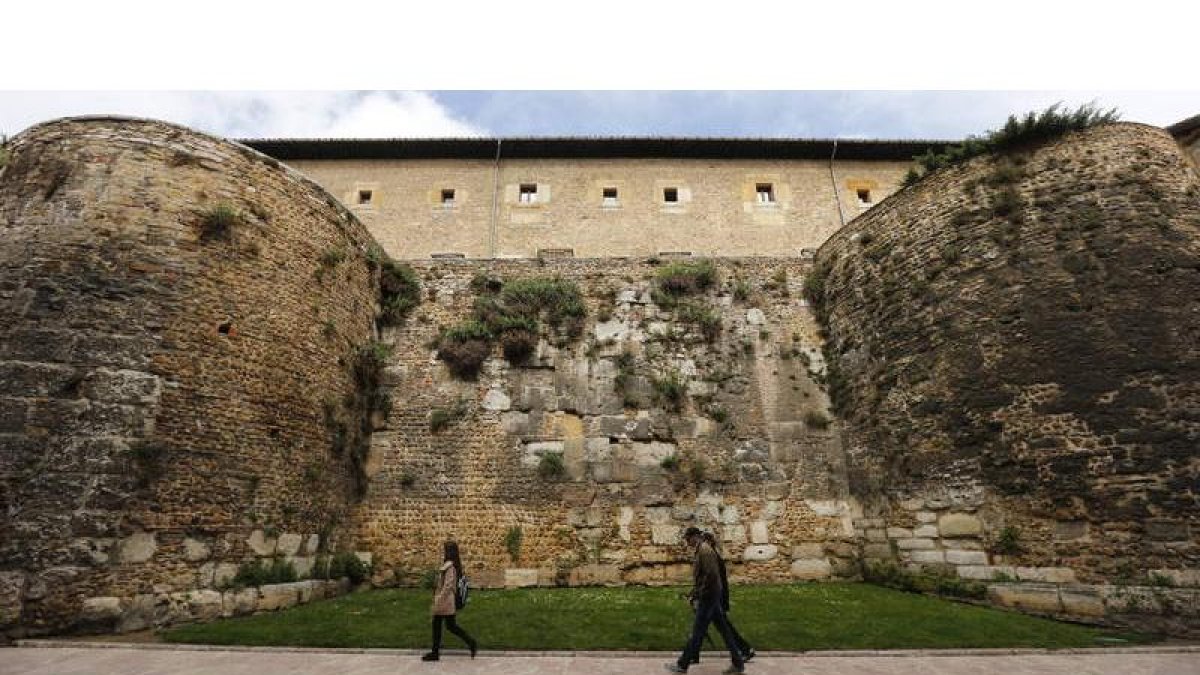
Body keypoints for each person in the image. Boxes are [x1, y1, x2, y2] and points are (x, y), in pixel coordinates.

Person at [665, 527, 745, 674]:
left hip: (708, 597)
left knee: (697, 632)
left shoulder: (705, 551)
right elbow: (703, 577)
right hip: (711, 596)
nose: (687, 542)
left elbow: (711, 576)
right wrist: (694, 592)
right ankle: (738, 662)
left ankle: (682, 664)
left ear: (695, 536)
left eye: (688, 539)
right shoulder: (702, 549)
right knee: (724, 631)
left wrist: (699, 594)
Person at [689, 531, 754, 665]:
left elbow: (714, 579)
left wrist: (701, 593)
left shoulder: (710, 556)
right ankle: (692, 655)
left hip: (713, 598)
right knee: (704, 628)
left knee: (717, 628)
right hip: (713, 597)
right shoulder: (711, 555)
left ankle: (744, 650)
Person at [421, 540, 478, 662]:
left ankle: (436, 652)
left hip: (445, 601)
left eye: (445, 550)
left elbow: (448, 585)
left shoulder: (450, 567)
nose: (444, 552)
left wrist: (439, 599)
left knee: (442, 625)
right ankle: (470, 643)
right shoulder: (451, 565)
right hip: (446, 601)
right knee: (449, 626)